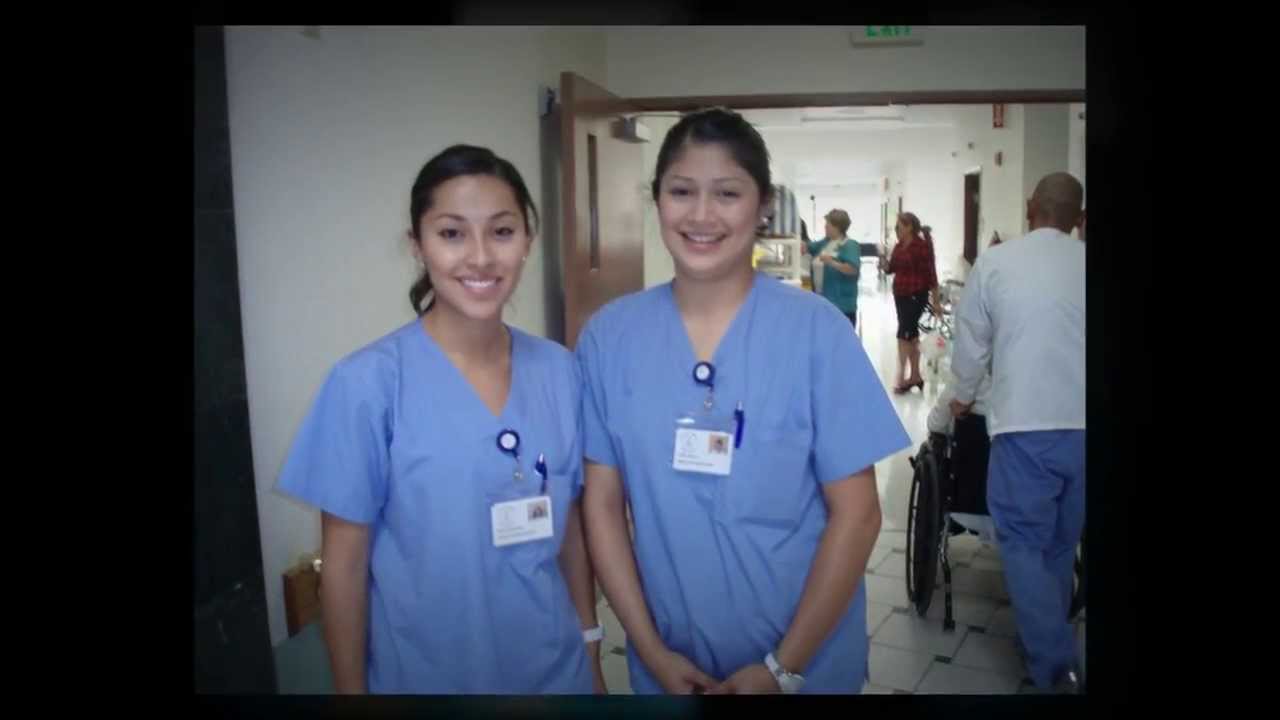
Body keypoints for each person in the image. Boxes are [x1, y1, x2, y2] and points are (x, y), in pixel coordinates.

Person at [576, 108, 910, 695]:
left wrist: (782, 668)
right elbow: (601, 507)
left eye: (727, 193)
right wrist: (649, 651)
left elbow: (858, 515)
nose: (701, 215)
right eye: (682, 191)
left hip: (804, 665)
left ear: (762, 207)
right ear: (657, 199)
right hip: (671, 664)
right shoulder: (609, 338)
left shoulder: (817, 333)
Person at [276, 145, 604, 694]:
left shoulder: (560, 371)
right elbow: (345, 567)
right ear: (417, 244)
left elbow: (568, 528)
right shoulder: (367, 384)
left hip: (556, 674)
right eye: (452, 233)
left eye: (502, 231)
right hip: (426, 678)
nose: (480, 257)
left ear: (528, 240)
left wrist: (590, 647)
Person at [948, 172, 1086, 694]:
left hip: (1026, 426)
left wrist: (962, 394)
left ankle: (1055, 665)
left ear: (1030, 207)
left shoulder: (997, 262)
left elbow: (971, 342)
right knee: (1061, 542)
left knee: (1024, 543)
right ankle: (1046, 639)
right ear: (1079, 217)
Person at [882, 213, 942, 394]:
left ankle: (901, 375)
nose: (896, 229)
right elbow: (891, 269)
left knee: (903, 334)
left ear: (909, 227)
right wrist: (884, 261)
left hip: (916, 295)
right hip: (900, 294)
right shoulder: (900, 245)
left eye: (899, 226)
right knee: (911, 334)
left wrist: (936, 302)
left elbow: (931, 274)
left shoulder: (921, 247)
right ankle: (915, 375)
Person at [802, 209, 862, 329]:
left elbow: (853, 269)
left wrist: (832, 262)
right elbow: (808, 247)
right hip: (822, 301)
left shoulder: (850, 245)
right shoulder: (825, 243)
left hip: (842, 305)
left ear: (837, 227)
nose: (825, 227)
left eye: (828, 224)